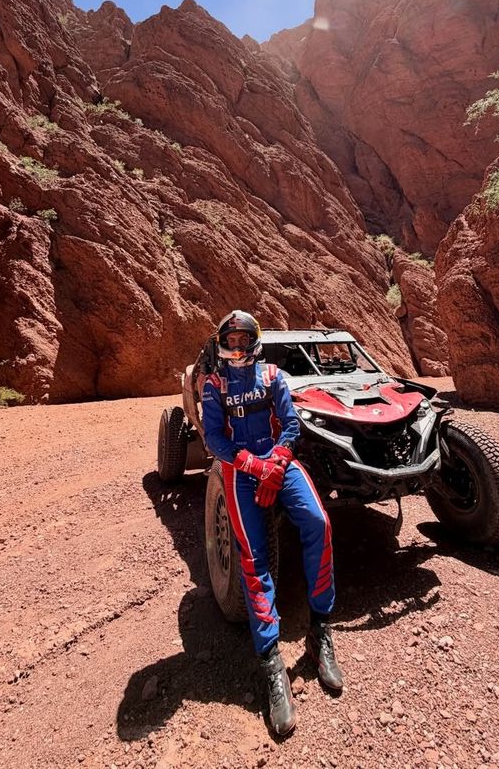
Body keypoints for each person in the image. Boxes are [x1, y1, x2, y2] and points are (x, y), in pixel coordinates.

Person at [201, 310, 343, 736]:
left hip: (278, 463)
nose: (239, 346)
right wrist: (252, 467)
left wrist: (276, 465)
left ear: (256, 341)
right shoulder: (214, 384)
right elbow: (213, 438)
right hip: (238, 468)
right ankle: (271, 663)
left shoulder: (273, 375)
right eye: (233, 339)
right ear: (223, 342)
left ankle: (320, 632)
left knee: (319, 523)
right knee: (253, 554)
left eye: (245, 338)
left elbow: (292, 425)